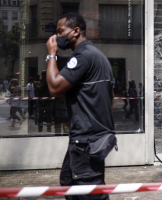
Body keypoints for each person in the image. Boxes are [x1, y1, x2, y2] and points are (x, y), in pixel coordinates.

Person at [45, 12, 114, 200]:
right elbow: (111, 99)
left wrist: (51, 55)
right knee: (68, 181)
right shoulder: (99, 57)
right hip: (91, 138)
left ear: (76, 31)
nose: (57, 37)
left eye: (60, 31)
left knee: (89, 192)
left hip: (86, 141)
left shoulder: (82, 57)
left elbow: (54, 87)